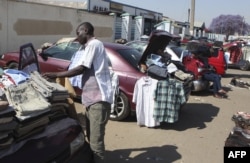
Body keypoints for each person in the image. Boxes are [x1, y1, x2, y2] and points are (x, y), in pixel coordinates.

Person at [43, 22, 113, 163]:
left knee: (95, 141)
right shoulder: (89, 46)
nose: (77, 37)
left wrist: (56, 75)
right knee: (92, 135)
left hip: (98, 100)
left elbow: (81, 68)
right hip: (91, 100)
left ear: (85, 30)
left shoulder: (94, 44)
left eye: (78, 33)